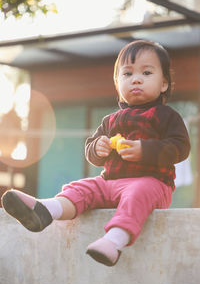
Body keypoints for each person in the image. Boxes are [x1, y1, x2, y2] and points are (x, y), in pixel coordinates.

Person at [1, 40, 190, 267]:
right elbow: (91, 152)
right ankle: (45, 210)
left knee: (137, 193)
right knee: (82, 187)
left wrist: (145, 150)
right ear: (118, 84)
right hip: (109, 182)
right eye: (127, 74)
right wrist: (97, 148)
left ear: (163, 84)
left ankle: (114, 241)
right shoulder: (110, 120)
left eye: (146, 72)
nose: (136, 79)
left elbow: (180, 148)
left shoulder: (166, 116)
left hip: (152, 182)